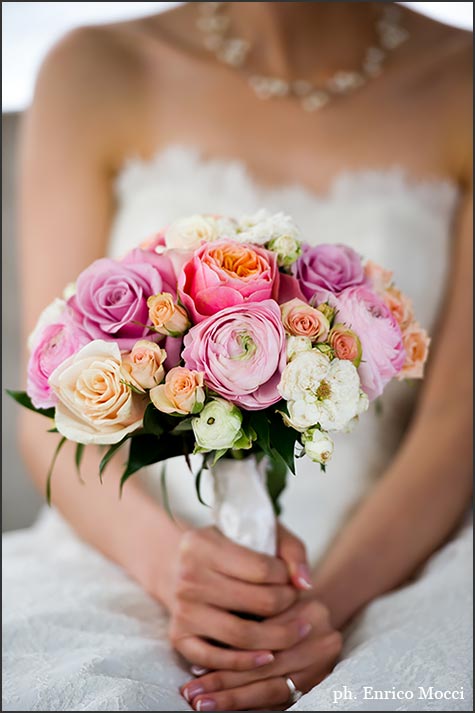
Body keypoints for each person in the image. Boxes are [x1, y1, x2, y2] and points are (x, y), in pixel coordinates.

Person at [3, 3, 472, 711]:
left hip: (393, 558)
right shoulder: (94, 68)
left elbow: (456, 420)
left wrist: (314, 610)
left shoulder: (459, 77)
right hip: (129, 547)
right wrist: (173, 570)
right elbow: (48, 409)